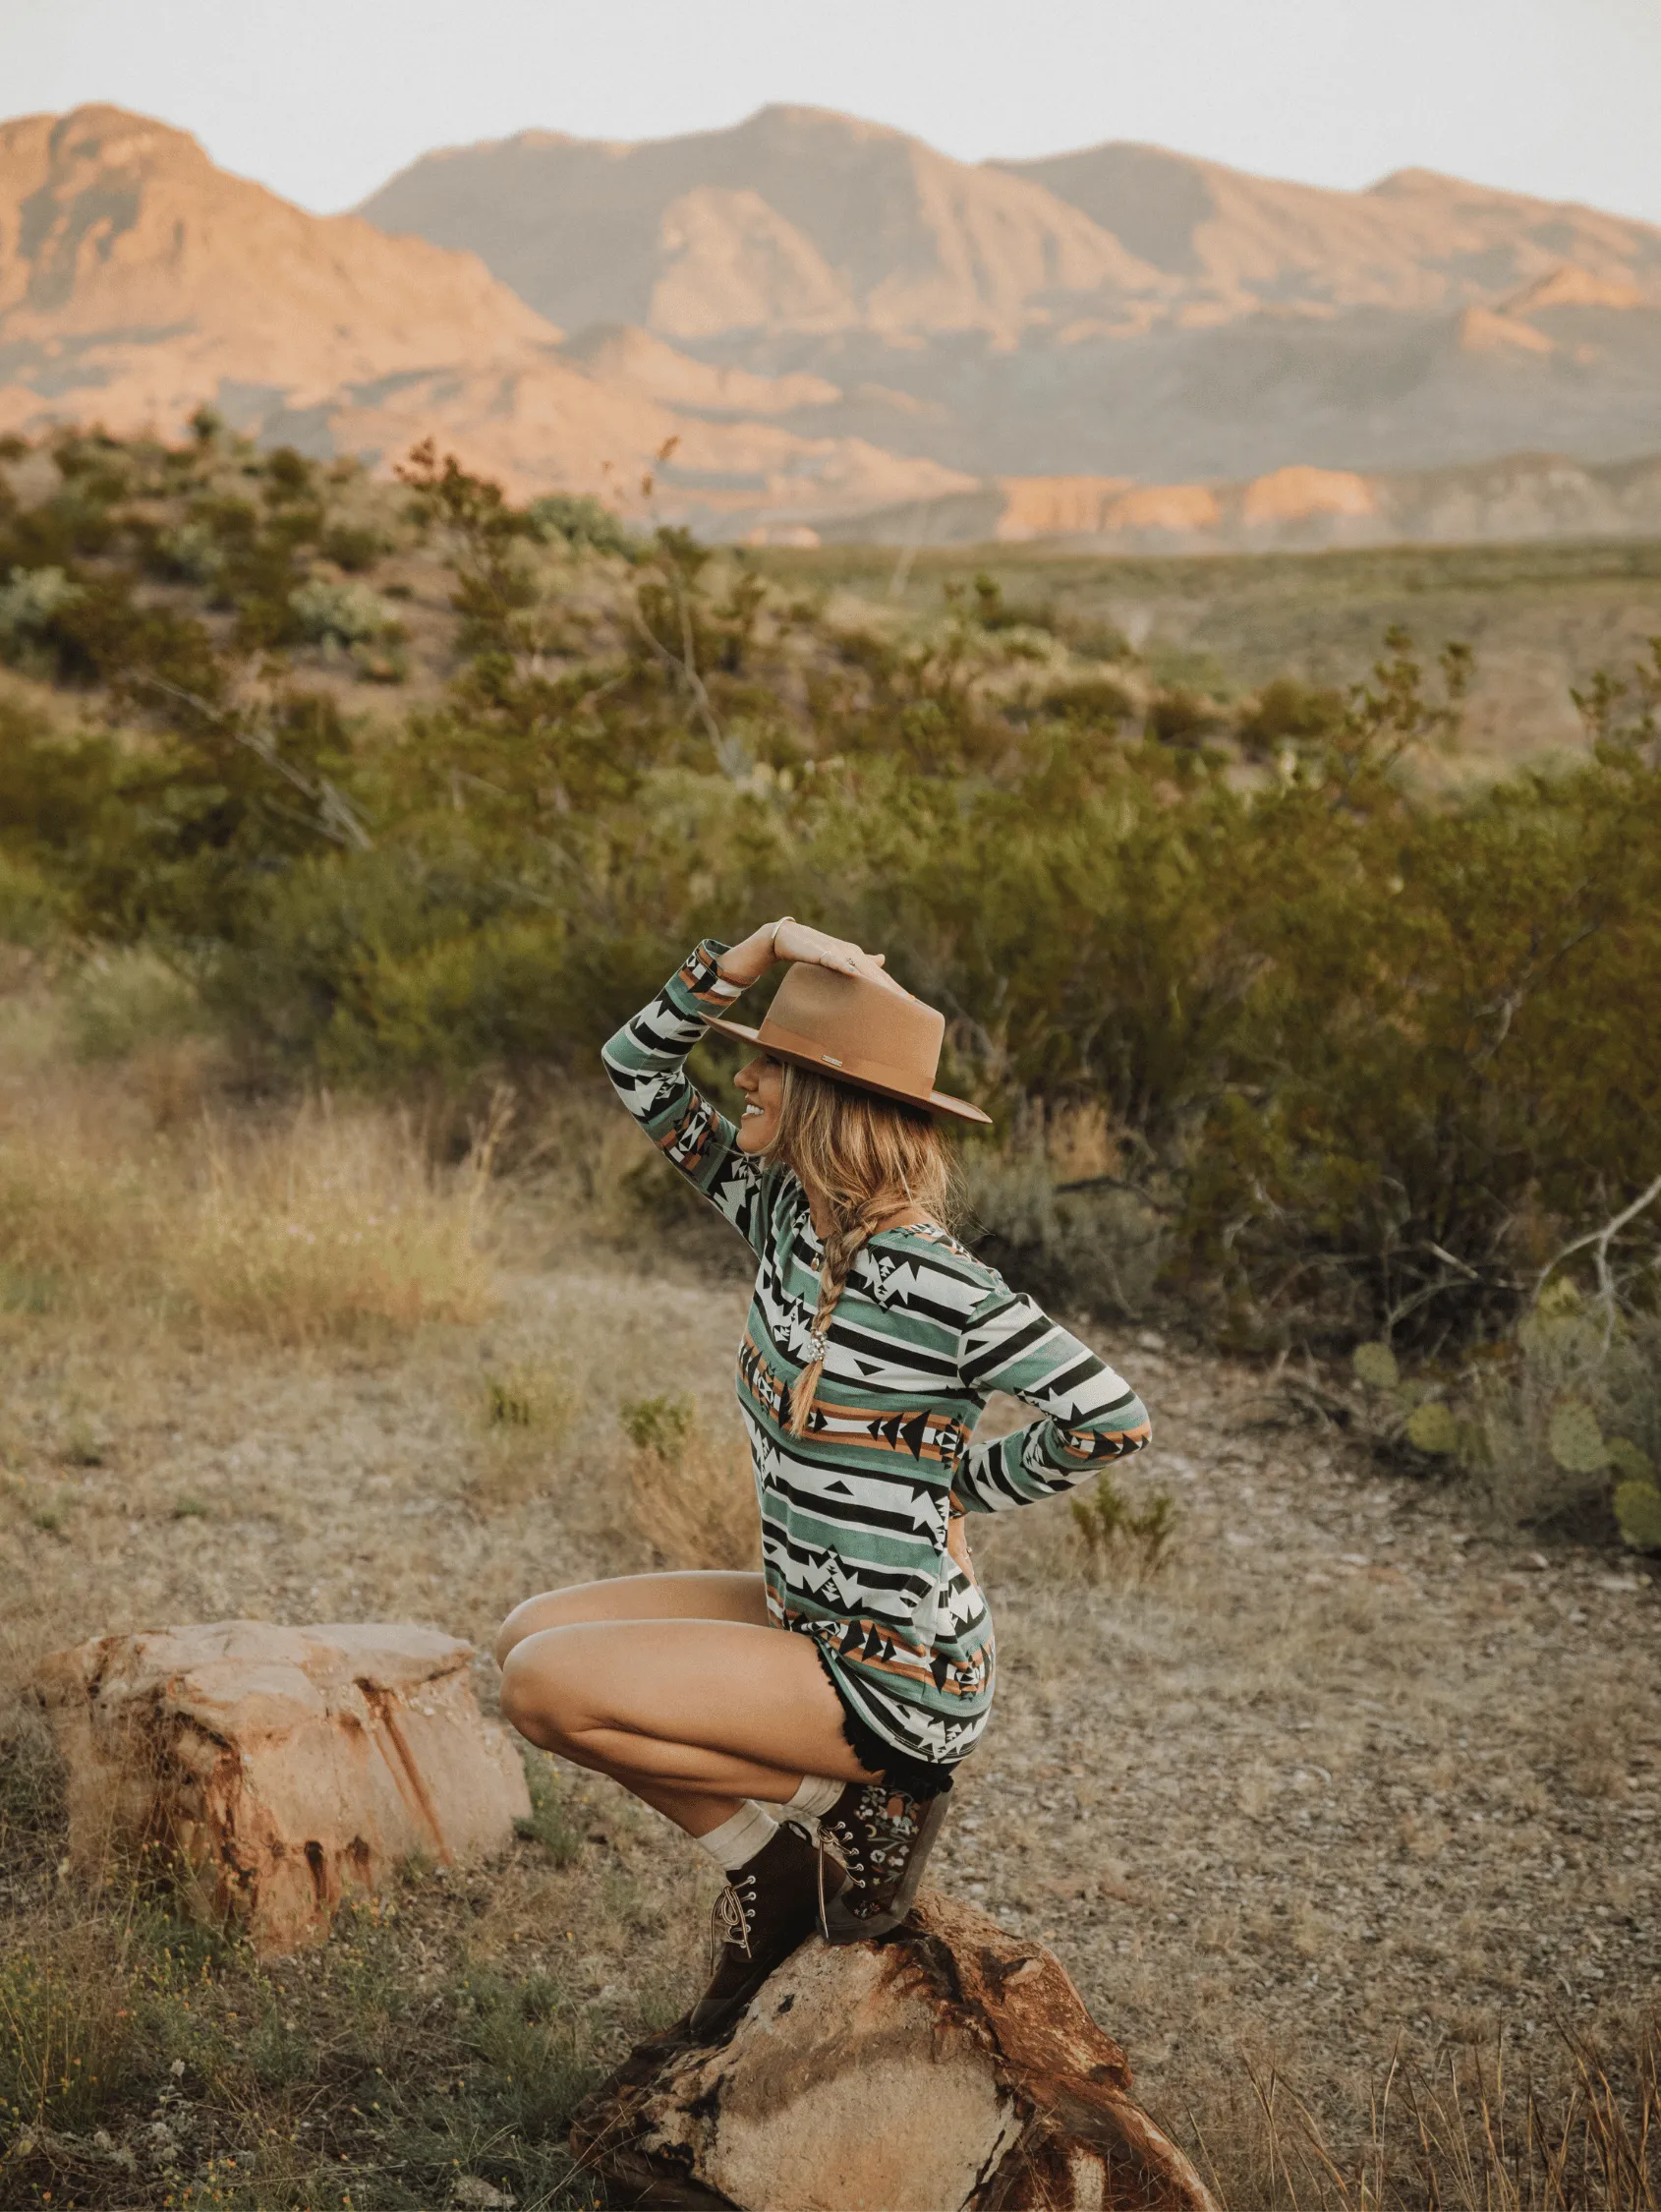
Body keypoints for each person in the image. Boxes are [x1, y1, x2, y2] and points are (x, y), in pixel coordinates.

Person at [495, 919, 1151, 2036]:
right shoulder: (781, 1212)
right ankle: (777, 1867)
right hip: (807, 1615)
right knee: (527, 1633)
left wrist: (955, 1486)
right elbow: (635, 1065)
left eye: (768, 1063)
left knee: (544, 1689)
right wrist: (745, 955)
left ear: (820, 1097)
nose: (741, 1073)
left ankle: (861, 1801)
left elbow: (1108, 1418)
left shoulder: (942, 1283)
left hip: (897, 1670)